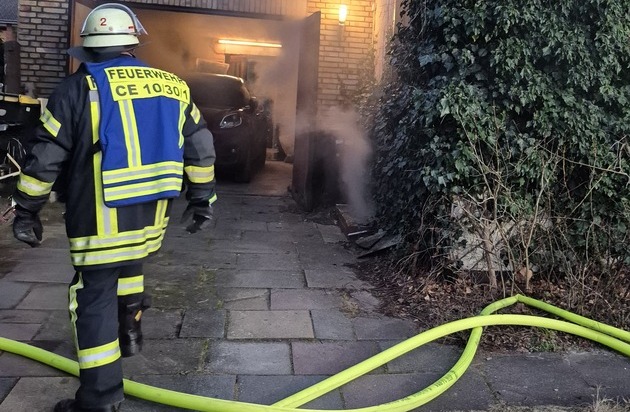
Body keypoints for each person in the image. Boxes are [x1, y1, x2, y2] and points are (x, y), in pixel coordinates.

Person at [11, 4, 217, 411]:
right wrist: (202, 200)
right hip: (151, 212)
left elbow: (46, 155)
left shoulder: (77, 88)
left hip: (99, 215)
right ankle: (129, 333)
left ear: (88, 49)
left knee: (92, 300)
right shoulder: (173, 86)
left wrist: (26, 209)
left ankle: (100, 399)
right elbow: (200, 147)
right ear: (131, 45)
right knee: (130, 266)